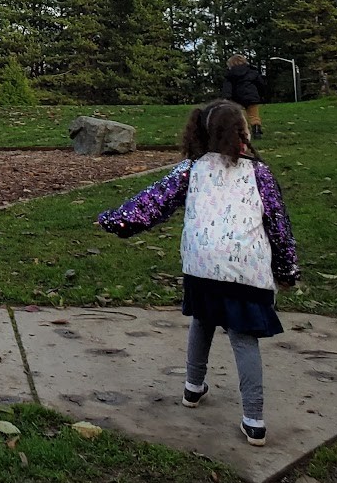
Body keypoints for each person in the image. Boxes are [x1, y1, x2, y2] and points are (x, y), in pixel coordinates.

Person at [97, 100, 299, 448]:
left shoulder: (191, 169)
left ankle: (193, 387)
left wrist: (114, 220)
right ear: (241, 133)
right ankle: (254, 420)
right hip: (244, 271)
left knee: (202, 320)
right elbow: (278, 226)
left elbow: (152, 202)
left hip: (201, 266)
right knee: (243, 338)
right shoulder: (259, 174)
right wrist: (287, 270)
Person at [221, 53, 267, 138]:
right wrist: (262, 95)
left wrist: (226, 97)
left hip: (237, 98)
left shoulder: (230, 75)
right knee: (254, 116)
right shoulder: (252, 72)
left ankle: (243, 132)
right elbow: (260, 84)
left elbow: (227, 87)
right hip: (252, 97)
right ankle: (257, 131)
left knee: (241, 117)